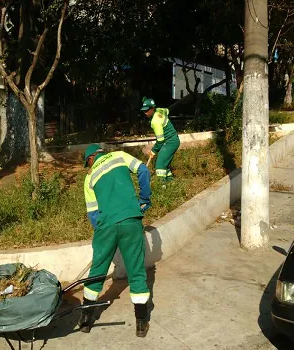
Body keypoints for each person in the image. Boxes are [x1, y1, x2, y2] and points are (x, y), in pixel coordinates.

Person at [80, 144, 152, 337]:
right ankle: (141, 323)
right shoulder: (119, 156)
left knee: (97, 270)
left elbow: (93, 215)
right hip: (131, 220)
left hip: (106, 226)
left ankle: (86, 320)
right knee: (136, 270)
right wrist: (144, 199)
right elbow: (143, 170)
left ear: (90, 159)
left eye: (87, 162)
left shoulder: (89, 179)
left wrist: (104, 237)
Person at [140, 97, 180, 182]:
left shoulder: (155, 121)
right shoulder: (159, 110)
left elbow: (160, 140)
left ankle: (162, 187)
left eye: (147, 110)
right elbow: (167, 111)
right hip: (172, 140)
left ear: (152, 108)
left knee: (160, 165)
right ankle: (170, 182)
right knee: (165, 164)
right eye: (144, 111)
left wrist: (153, 151)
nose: (145, 113)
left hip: (170, 141)